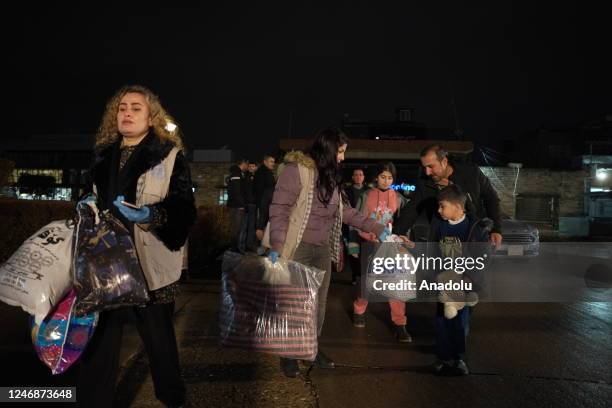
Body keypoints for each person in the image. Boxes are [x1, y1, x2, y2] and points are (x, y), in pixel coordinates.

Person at [77, 85, 195, 408]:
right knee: (100, 344)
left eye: (136, 108)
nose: (126, 113)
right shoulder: (102, 156)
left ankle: (172, 399)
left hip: (149, 267)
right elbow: (88, 195)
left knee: (160, 345)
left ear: (151, 116)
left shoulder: (169, 155)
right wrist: (85, 201)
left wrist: (151, 214)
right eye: (122, 108)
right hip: (107, 264)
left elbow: (185, 210)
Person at [266, 127, 388, 378]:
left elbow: (347, 212)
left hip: (321, 249)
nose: (343, 157)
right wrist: (276, 246)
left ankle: (310, 348)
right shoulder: (295, 171)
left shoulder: (331, 178)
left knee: (318, 305)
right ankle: (289, 355)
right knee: (295, 304)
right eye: (341, 152)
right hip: (297, 247)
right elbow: (279, 209)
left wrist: (377, 228)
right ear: (329, 150)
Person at [428, 184, 492, 376]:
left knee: (460, 323)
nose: (439, 210)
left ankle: (459, 359)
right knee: (442, 321)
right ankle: (443, 357)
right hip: (445, 285)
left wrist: (469, 279)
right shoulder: (440, 226)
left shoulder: (475, 229)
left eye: (442, 206)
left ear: (457, 206)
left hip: (465, 286)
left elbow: (483, 257)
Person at [394, 144, 503, 248]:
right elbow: (412, 209)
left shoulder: (471, 173)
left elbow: (491, 198)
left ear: (444, 161)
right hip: (442, 242)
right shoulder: (425, 183)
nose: (427, 172)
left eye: (431, 167)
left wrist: (496, 229)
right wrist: (397, 234)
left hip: (473, 237)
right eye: (425, 167)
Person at [349, 162, 412, 342]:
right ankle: (359, 309)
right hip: (370, 245)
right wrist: (353, 244)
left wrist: (402, 241)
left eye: (390, 178)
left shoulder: (398, 197)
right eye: (383, 177)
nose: (386, 181)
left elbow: (403, 223)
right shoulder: (365, 195)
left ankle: (400, 323)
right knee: (368, 282)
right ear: (376, 177)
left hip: (391, 246)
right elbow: (355, 219)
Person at [343, 167, 366, 284]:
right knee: (353, 251)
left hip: (365, 226)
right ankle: (355, 275)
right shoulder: (346, 191)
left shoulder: (368, 191)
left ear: (363, 177)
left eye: (360, 174)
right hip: (351, 226)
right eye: (356, 174)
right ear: (352, 177)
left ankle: (363, 275)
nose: (358, 177)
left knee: (364, 252)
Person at [227, 157, 248, 252]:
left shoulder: (237, 174)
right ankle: (234, 249)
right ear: (243, 163)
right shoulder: (236, 174)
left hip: (236, 205)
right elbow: (236, 191)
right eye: (247, 164)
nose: (247, 167)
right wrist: (241, 204)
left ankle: (234, 248)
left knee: (236, 228)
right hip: (236, 206)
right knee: (236, 228)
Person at [254, 154, 276, 243]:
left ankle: (263, 245)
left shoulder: (268, 172)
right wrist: (261, 202)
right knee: (261, 225)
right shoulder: (262, 172)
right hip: (264, 203)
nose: (273, 164)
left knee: (264, 224)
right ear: (265, 162)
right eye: (271, 161)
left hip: (267, 202)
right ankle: (261, 245)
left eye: (274, 162)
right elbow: (259, 189)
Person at [244, 161, 258, 251]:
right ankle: (247, 244)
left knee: (251, 225)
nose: (251, 167)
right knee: (247, 224)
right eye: (250, 166)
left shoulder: (257, 177)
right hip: (248, 203)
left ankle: (249, 244)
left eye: (253, 166)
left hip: (253, 203)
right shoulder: (246, 176)